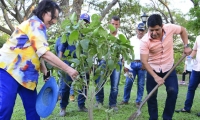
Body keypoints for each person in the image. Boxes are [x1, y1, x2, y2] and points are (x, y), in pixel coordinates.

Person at [0, 0, 79, 120]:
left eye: (56, 18)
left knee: (33, 110)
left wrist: (45, 70)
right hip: (9, 70)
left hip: (26, 75)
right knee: (5, 107)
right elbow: (45, 53)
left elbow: (37, 52)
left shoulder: (39, 28)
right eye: (53, 17)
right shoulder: (35, 24)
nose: (54, 21)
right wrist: (68, 69)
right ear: (44, 12)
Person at [140, 14, 191, 120]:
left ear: (162, 26)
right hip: (152, 69)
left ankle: (167, 118)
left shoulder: (170, 28)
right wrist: (155, 76)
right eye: (151, 30)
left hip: (169, 67)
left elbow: (183, 30)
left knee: (173, 92)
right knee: (151, 95)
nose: (154, 33)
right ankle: (153, 118)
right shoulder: (145, 41)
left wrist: (186, 45)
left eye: (157, 29)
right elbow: (144, 61)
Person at [58, 13, 90, 117]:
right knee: (65, 86)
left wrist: (89, 65)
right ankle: (63, 107)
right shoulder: (69, 33)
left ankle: (81, 105)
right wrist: (60, 63)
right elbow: (62, 48)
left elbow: (89, 51)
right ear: (79, 21)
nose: (84, 24)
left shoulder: (87, 36)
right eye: (82, 21)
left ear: (88, 24)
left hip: (82, 63)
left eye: (86, 22)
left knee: (84, 84)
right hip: (69, 62)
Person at [95, 16, 122, 111]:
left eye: (116, 24)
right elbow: (98, 49)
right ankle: (99, 101)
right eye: (113, 23)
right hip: (103, 61)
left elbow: (123, 51)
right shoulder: (104, 35)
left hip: (116, 62)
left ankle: (113, 104)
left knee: (115, 85)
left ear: (119, 25)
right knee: (100, 82)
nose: (114, 26)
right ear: (109, 24)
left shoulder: (121, 36)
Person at [119, 23, 146, 108]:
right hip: (132, 64)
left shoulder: (147, 40)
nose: (140, 32)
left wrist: (145, 64)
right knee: (128, 82)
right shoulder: (131, 39)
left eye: (142, 30)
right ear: (136, 30)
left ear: (145, 31)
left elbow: (150, 53)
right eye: (139, 30)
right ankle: (125, 99)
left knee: (141, 84)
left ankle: (138, 101)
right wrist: (126, 65)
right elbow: (127, 53)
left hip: (142, 64)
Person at [175, 35, 200, 117]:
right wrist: (189, 58)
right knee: (191, 88)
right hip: (196, 68)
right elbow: (195, 50)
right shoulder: (198, 37)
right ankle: (187, 108)